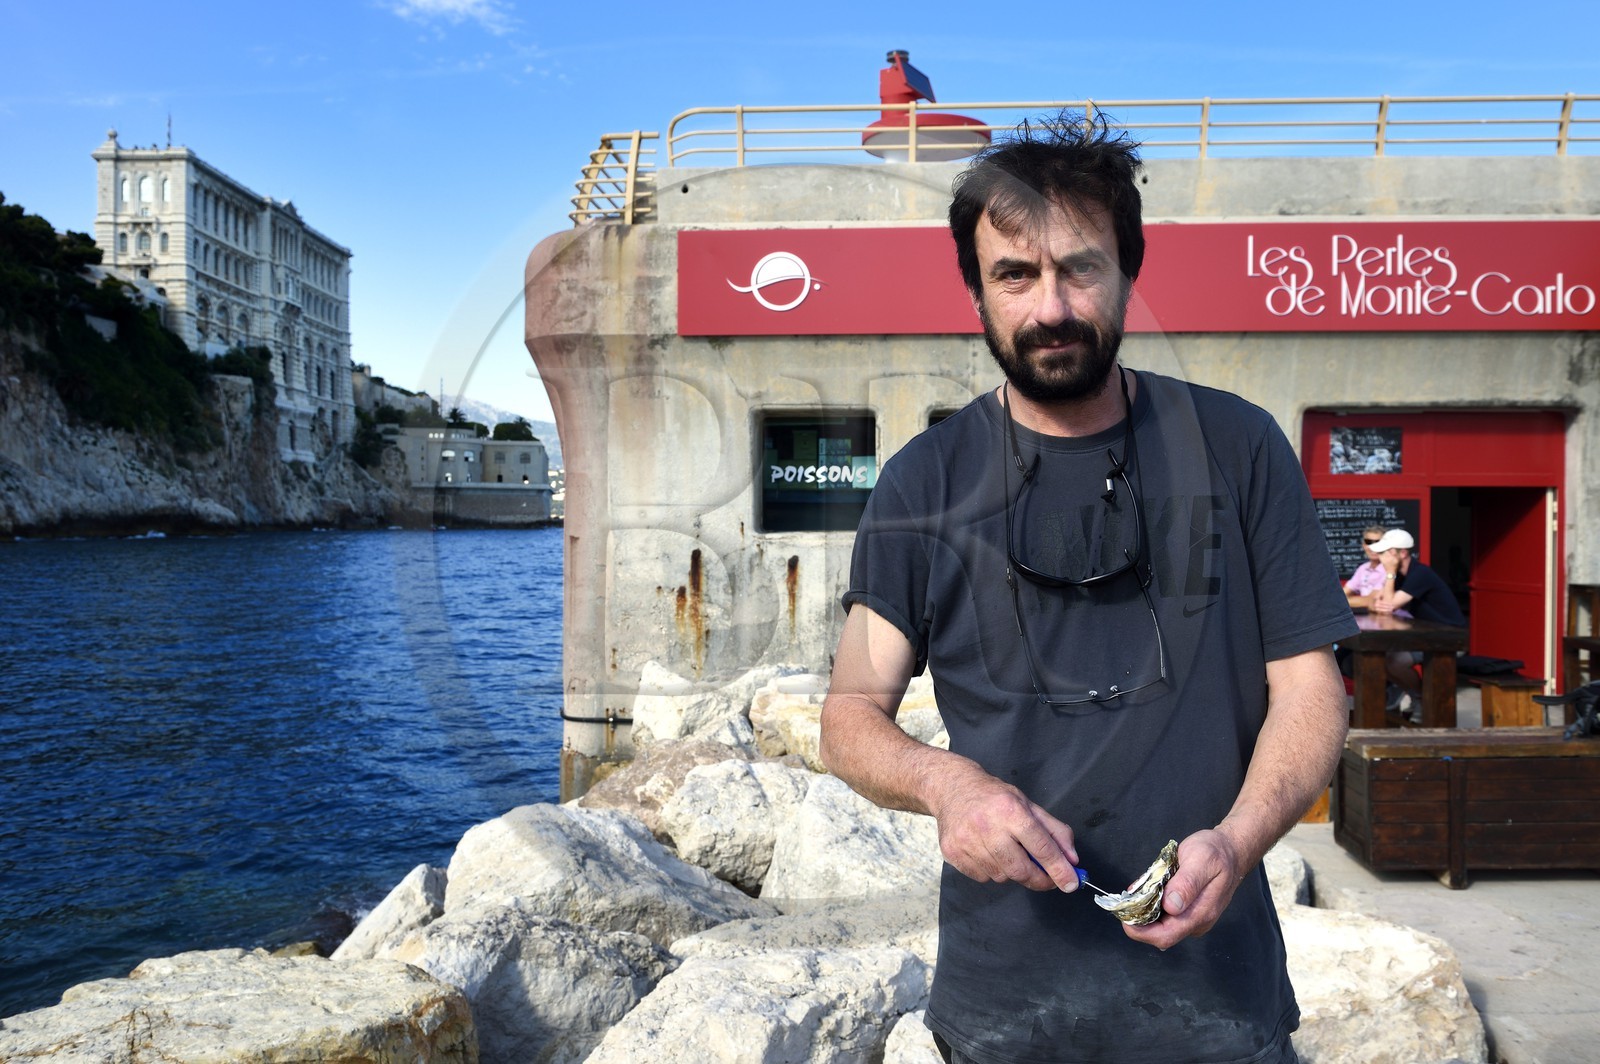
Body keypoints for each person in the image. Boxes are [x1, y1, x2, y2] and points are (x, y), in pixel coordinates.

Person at [818, 113, 1357, 1064]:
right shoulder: (923, 482)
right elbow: (851, 714)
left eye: (1082, 268)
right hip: (1003, 1017)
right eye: (1015, 276)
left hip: (1222, 1009)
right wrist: (949, 788)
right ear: (977, 292)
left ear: (1128, 275)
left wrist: (1236, 842)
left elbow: (1311, 687)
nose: (1051, 307)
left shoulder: (1239, 449)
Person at [1369, 528, 1467, 707]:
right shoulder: (1401, 576)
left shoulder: (1420, 573)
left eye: (1385, 552)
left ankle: (1423, 701)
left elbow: (1390, 605)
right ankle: (1418, 698)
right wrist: (1390, 579)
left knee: (1394, 661)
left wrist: (1390, 572)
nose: (1381, 557)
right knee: (1383, 660)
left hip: (1449, 637)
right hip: (1428, 636)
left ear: (1403, 553)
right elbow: (1379, 603)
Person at [1343, 524, 1391, 608]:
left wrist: (1337, 602)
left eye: (1378, 542)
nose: (1373, 547)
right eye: (1369, 542)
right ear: (1364, 546)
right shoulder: (1362, 568)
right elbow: (1343, 593)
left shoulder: (1390, 569)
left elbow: (1370, 601)